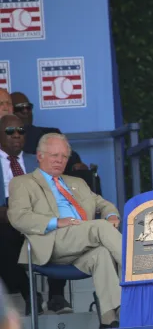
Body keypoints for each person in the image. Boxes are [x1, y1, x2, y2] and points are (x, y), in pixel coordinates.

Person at [7, 133, 122, 328]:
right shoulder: (22, 183)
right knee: (100, 227)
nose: (59, 160)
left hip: (83, 243)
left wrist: (112, 216)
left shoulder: (77, 183)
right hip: (52, 242)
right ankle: (140, 273)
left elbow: (103, 204)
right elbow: (18, 217)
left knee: (102, 254)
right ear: (39, 156)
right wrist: (55, 221)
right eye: (54, 155)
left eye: (63, 156)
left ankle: (111, 320)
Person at [0, 115, 72, 315]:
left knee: (61, 228)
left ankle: (56, 296)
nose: (16, 135)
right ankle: (30, 294)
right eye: (9, 131)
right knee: (3, 238)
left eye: (20, 131)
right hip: (5, 219)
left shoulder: (37, 161)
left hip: (39, 213)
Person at [10, 92, 88, 172]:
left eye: (28, 107)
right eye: (19, 108)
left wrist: (75, 166)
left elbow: (71, 159)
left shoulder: (50, 134)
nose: (25, 112)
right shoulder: (4, 141)